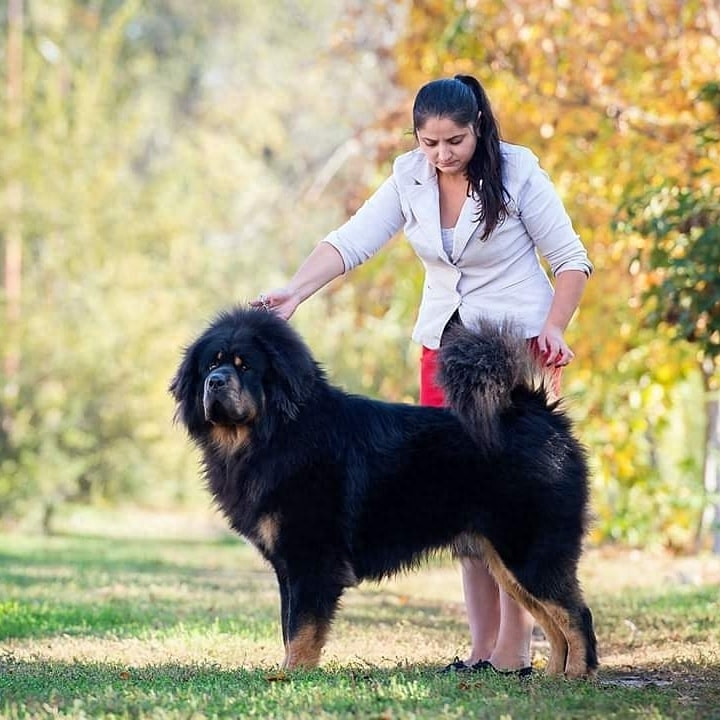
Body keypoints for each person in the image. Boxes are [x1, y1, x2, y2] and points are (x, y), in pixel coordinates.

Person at [252, 74, 592, 675]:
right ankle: (481, 648)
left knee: (505, 498)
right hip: (442, 348)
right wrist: (295, 292)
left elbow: (570, 259)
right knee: (454, 500)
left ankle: (516, 651)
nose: (441, 155)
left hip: (512, 348)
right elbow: (353, 240)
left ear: (478, 127)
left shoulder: (518, 171)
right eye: (429, 143)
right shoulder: (409, 175)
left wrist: (557, 327)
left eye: (454, 141)